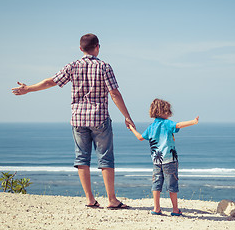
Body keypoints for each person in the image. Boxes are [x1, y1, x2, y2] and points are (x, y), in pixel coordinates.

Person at [12, 33, 134, 209]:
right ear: (98, 47)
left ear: (80, 49)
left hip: (78, 118)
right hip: (99, 118)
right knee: (106, 159)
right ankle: (112, 200)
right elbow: (114, 93)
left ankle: (90, 199)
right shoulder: (104, 67)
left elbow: (50, 82)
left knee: (82, 158)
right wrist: (127, 116)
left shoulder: (73, 66)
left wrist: (28, 89)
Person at [129, 98, 199, 216]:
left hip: (156, 161)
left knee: (156, 183)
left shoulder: (151, 126)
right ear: (162, 111)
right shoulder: (167, 123)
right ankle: (175, 210)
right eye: (168, 111)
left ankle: (156, 208)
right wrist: (193, 121)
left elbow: (140, 137)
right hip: (170, 160)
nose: (169, 113)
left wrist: (132, 129)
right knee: (172, 184)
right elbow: (178, 125)